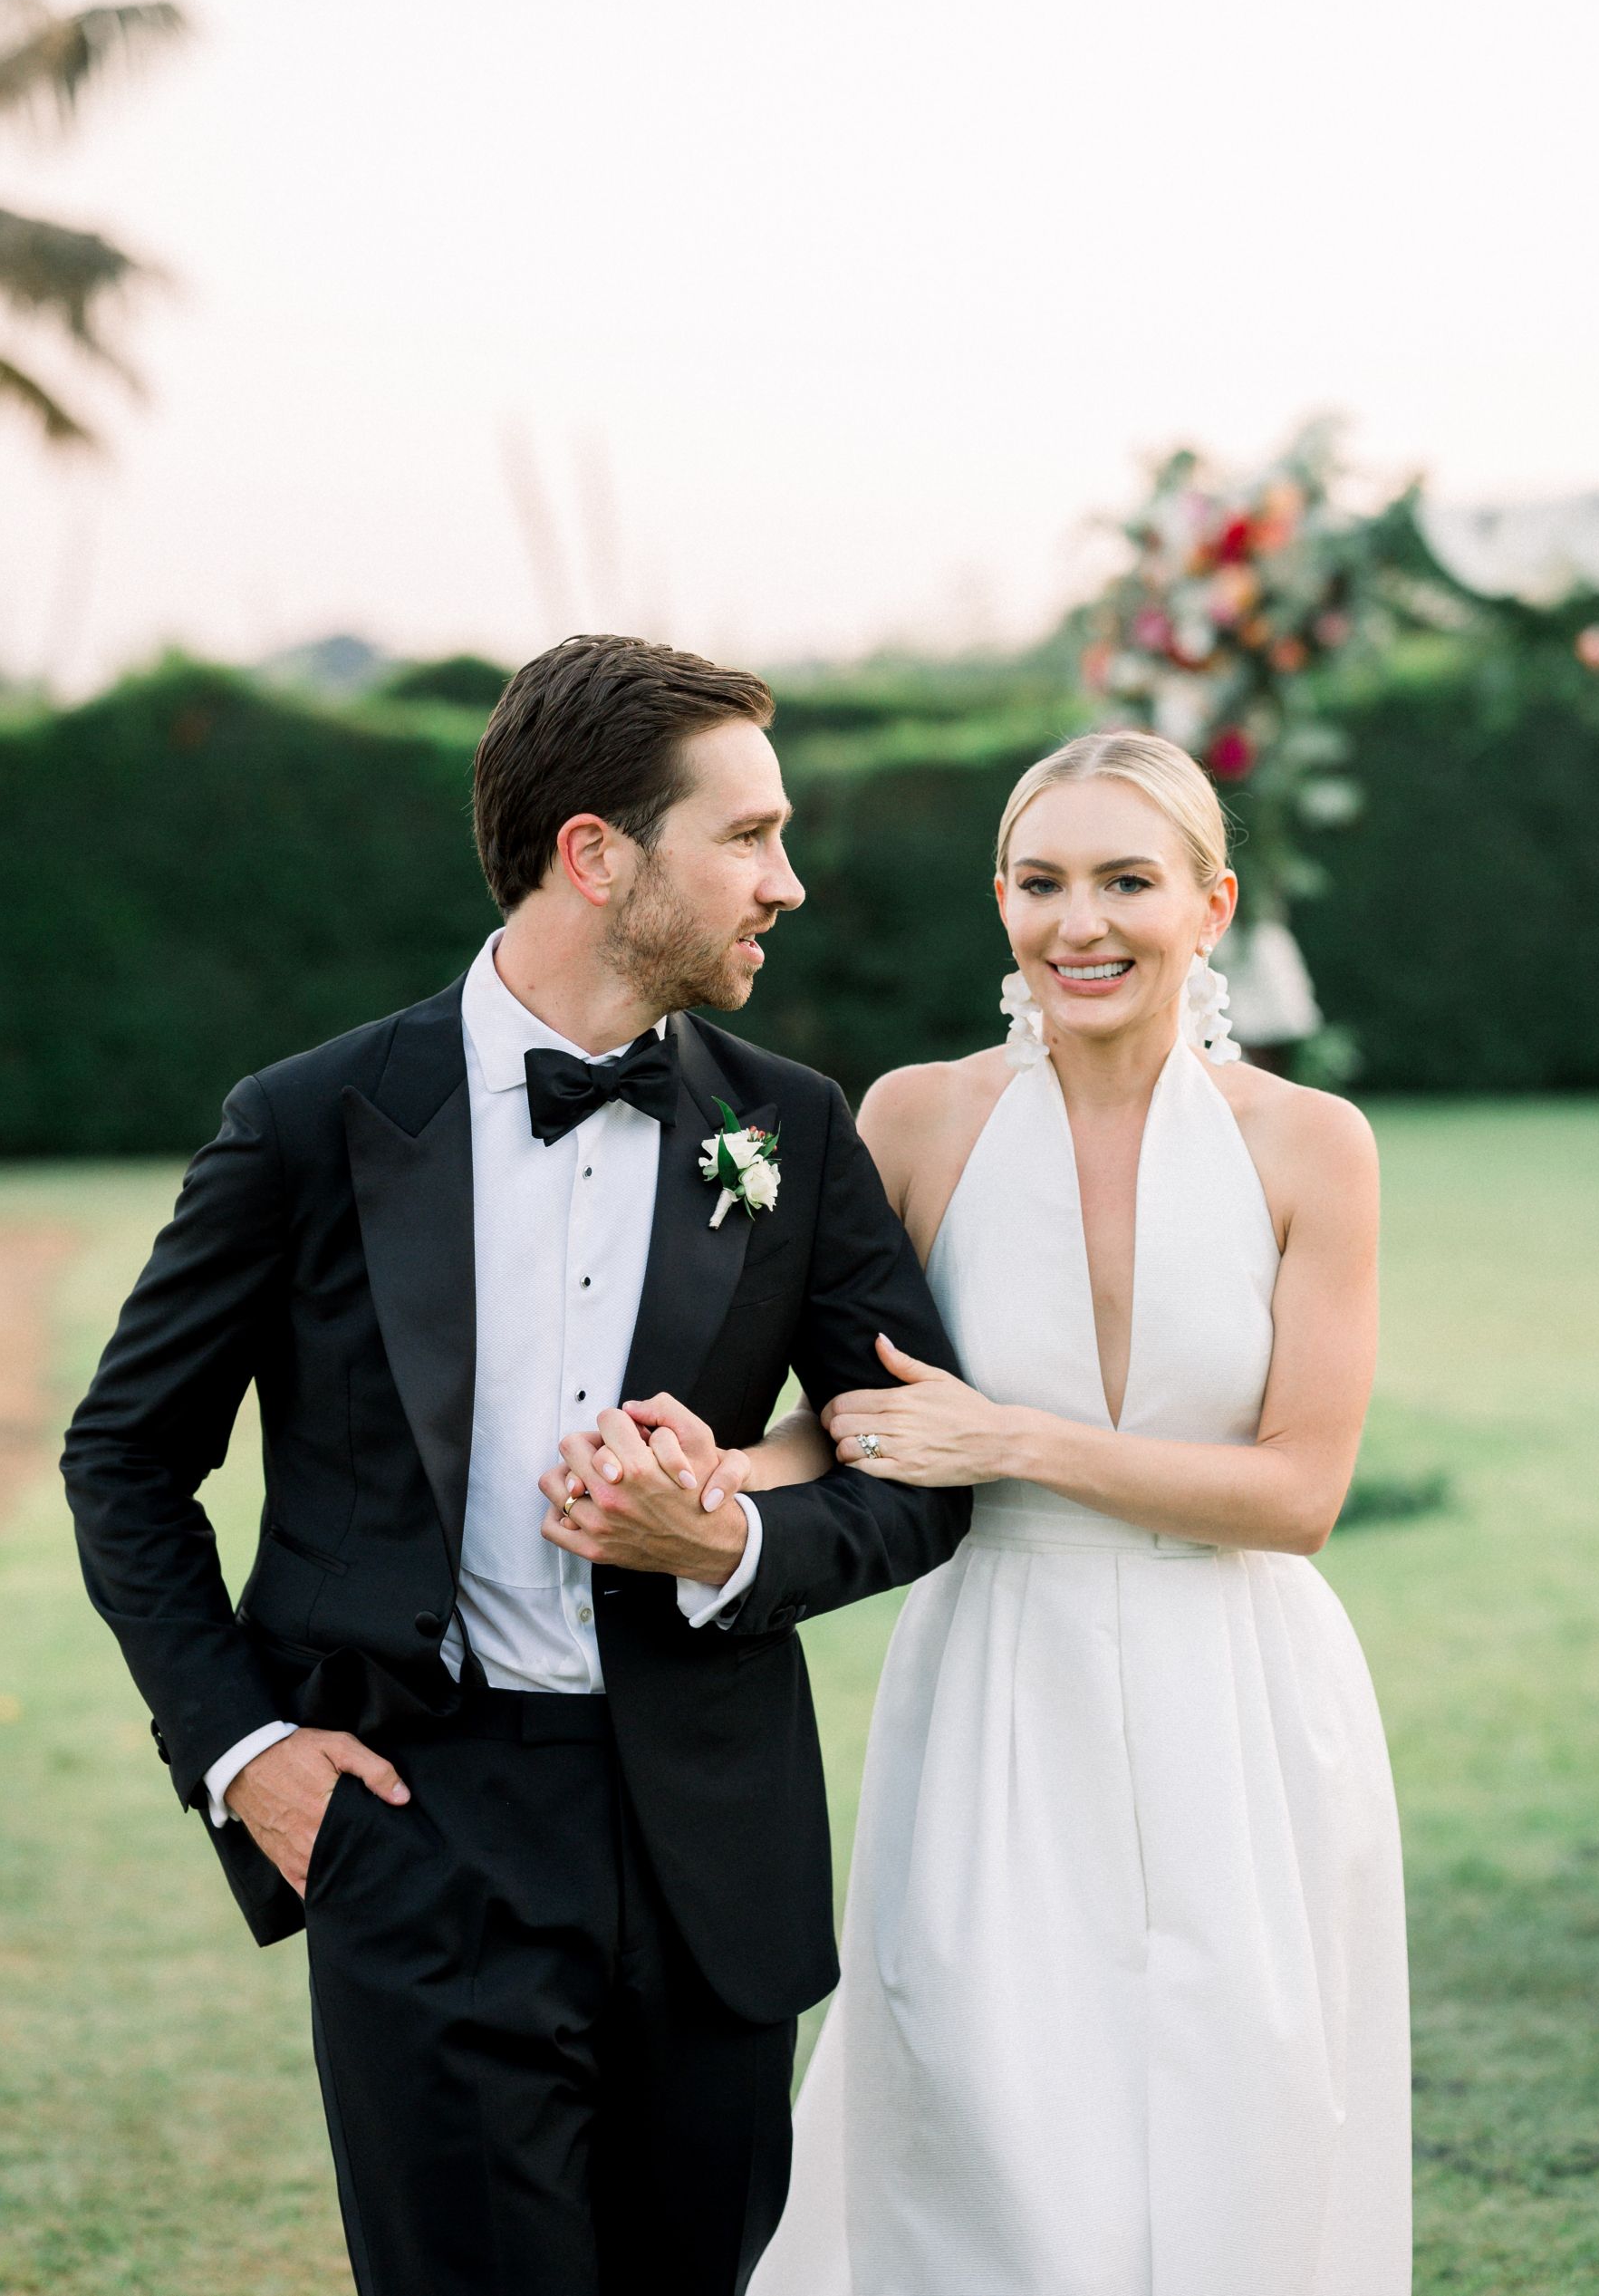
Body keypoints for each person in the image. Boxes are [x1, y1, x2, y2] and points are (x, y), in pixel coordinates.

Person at [62, 634, 971, 2296]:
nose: (790, 880)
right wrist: (246, 1749)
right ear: (597, 853)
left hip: (712, 1852)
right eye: (749, 836)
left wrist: (730, 1550)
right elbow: (124, 1460)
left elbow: (915, 1465)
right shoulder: (309, 1121)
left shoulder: (794, 1128)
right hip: (422, 1840)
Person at [726, 728, 1411, 2295]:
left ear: (1212, 902)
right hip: (994, 1683)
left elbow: (1300, 1492)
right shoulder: (914, 1120)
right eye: (1042, 883)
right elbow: (844, 1422)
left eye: (1127, 881)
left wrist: (1012, 1439)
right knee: (982, 2114)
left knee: (1243, 2116)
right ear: (1000, 900)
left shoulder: (1311, 1145)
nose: (1079, 925)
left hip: (1238, 1692)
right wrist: (715, 1476)